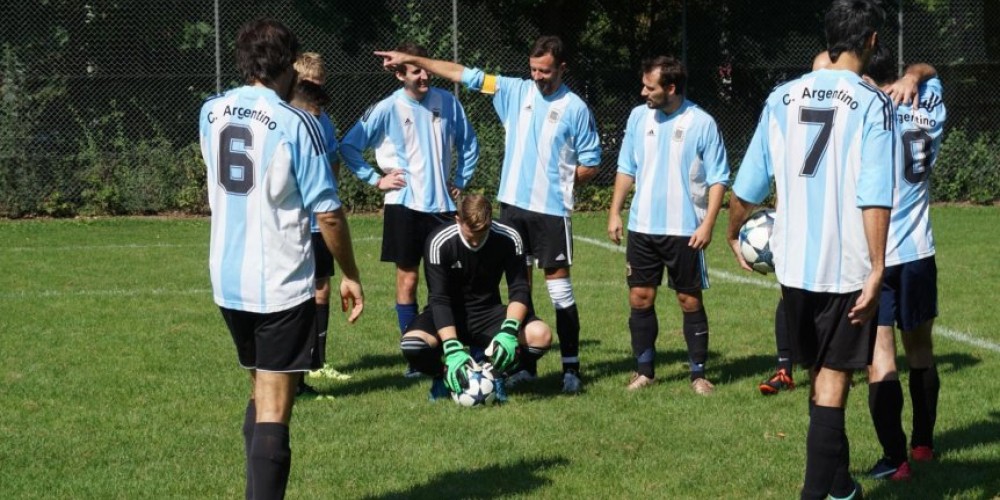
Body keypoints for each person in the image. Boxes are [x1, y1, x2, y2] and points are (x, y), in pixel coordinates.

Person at [725, 1, 894, 498]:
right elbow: (874, 193)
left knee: (820, 378)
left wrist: (733, 232)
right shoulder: (872, 102)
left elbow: (748, 186)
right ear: (871, 41)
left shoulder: (781, 96)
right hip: (844, 266)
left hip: (792, 265)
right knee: (832, 385)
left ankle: (841, 487)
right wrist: (878, 266)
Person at [375, 35, 602, 393]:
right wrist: (411, 58)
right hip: (512, 207)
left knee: (560, 291)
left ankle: (570, 368)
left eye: (545, 71)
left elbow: (591, 163)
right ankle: (525, 368)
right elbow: (462, 74)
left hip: (550, 212)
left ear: (562, 68)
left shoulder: (575, 108)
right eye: (533, 69)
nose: (538, 77)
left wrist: (559, 179)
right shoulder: (514, 90)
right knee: (520, 286)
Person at [199, 18, 364, 499]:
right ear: (289, 64)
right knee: (275, 407)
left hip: (227, 280)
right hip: (279, 281)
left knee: (259, 391)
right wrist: (351, 273)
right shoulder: (297, 122)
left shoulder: (210, 111)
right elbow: (327, 213)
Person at [340, 42, 479, 378]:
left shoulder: (448, 103)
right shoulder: (388, 107)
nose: (424, 76)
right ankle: (415, 356)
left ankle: (454, 347)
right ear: (400, 75)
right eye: (416, 71)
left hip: (442, 207)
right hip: (403, 206)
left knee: (448, 280)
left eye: (425, 69)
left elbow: (469, 143)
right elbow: (349, 146)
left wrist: (460, 179)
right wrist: (376, 180)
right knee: (408, 278)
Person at [607, 55, 730, 394]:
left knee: (688, 300)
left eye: (650, 87)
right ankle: (644, 372)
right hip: (643, 227)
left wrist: (708, 225)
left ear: (671, 88)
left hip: (685, 230)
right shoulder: (638, 117)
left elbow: (719, 178)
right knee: (640, 297)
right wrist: (615, 212)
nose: (643, 92)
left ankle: (698, 374)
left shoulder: (701, 122)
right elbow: (626, 167)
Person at [861, 45, 946, 481]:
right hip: (918, 252)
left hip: (874, 254)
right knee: (921, 350)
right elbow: (930, 69)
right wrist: (914, 74)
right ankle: (923, 445)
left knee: (881, 358)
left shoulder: (864, 113)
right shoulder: (928, 103)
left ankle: (896, 461)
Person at [399, 194, 552, 402]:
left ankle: (494, 375)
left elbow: (519, 289)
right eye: (470, 235)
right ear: (457, 220)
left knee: (541, 335)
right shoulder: (439, 241)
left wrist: (509, 331)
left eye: (482, 234)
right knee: (412, 345)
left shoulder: (509, 236)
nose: (475, 241)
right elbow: (439, 299)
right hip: (449, 313)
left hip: (488, 313)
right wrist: (451, 348)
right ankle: (443, 377)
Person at [288, 51, 343, 396]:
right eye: (311, 85)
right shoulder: (285, 119)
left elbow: (334, 158)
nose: (317, 93)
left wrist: (329, 192)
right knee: (296, 292)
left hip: (319, 223)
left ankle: (317, 361)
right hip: (292, 223)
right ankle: (293, 369)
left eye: (321, 85)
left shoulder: (324, 122)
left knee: (321, 287)